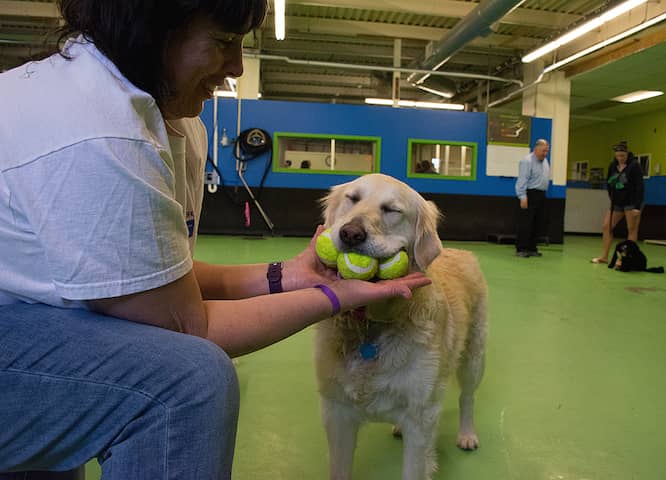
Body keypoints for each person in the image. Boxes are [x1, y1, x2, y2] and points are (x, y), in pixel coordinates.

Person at [0, 1, 430, 479]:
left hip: (30, 317)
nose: (238, 66)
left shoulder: (176, 123)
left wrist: (288, 274)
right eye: (223, 42)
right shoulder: (98, 133)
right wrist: (332, 295)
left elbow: (157, 278)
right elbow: (185, 325)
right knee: (187, 381)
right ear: (151, 31)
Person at [591, 142, 644, 264]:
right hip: (617, 202)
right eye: (618, 156)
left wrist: (637, 207)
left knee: (631, 230)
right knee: (606, 226)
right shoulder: (612, 166)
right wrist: (611, 196)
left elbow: (640, 187)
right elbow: (609, 182)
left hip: (632, 202)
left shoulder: (634, 165)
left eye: (623, 156)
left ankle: (627, 259)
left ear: (627, 153)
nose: (620, 158)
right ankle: (604, 257)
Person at [515, 139, 551, 257]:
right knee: (526, 223)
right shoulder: (527, 161)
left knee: (537, 223)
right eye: (543, 151)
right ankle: (521, 249)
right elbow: (522, 180)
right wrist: (522, 196)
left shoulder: (545, 162)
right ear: (536, 149)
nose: (545, 154)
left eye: (547, 151)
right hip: (529, 194)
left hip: (541, 195)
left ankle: (532, 248)